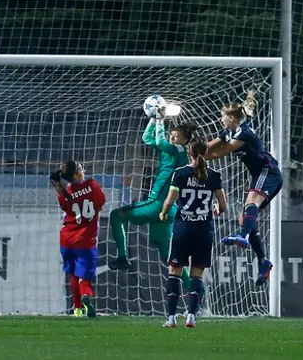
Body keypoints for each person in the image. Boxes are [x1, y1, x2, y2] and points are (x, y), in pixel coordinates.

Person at [108, 107, 198, 292]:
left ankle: (123, 257)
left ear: (185, 140)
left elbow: (159, 140)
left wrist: (159, 119)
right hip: (168, 208)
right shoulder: (171, 150)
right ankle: (195, 290)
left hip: (158, 203)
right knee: (167, 254)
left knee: (117, 215)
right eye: (172, 135)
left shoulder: (179, 150)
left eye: (177, 136)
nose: (173, 137)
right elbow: (147, 139)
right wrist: (152, 120)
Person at [205, 90, 280, 286]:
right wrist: (196, 149)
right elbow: (211, 144)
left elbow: (220, 153)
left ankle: (242, 236)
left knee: (251, 204)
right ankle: (263, 262)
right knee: (243, 217)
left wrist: (200, 157)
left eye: (222, 117)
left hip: (268, 171)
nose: (221, 120)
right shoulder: (231, 131)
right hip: (258, 175)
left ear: (231, 117)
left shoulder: (243, 134)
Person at [159, 138, 228, 328]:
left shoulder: (180, 173)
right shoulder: (214, 175)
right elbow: (223, 206)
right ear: (206, 153)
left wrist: (163, 213)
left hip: (183, 228)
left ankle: (171, 318)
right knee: (196, 274)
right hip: (203, 230)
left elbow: (169, 200)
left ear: (189, 153)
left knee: (175, 272)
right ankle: (191, 316)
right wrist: (215, 210)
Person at [50, 160, 106, 318]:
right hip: (86, 241)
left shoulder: (63, 193)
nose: (84, 170)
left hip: (67, 239)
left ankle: (77, 309)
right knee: (86, 277)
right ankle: (86, 297)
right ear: (76, 174)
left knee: (73, 273)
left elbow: (67, 205)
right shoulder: (92, 185)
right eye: (81, 168)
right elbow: (100, 203)